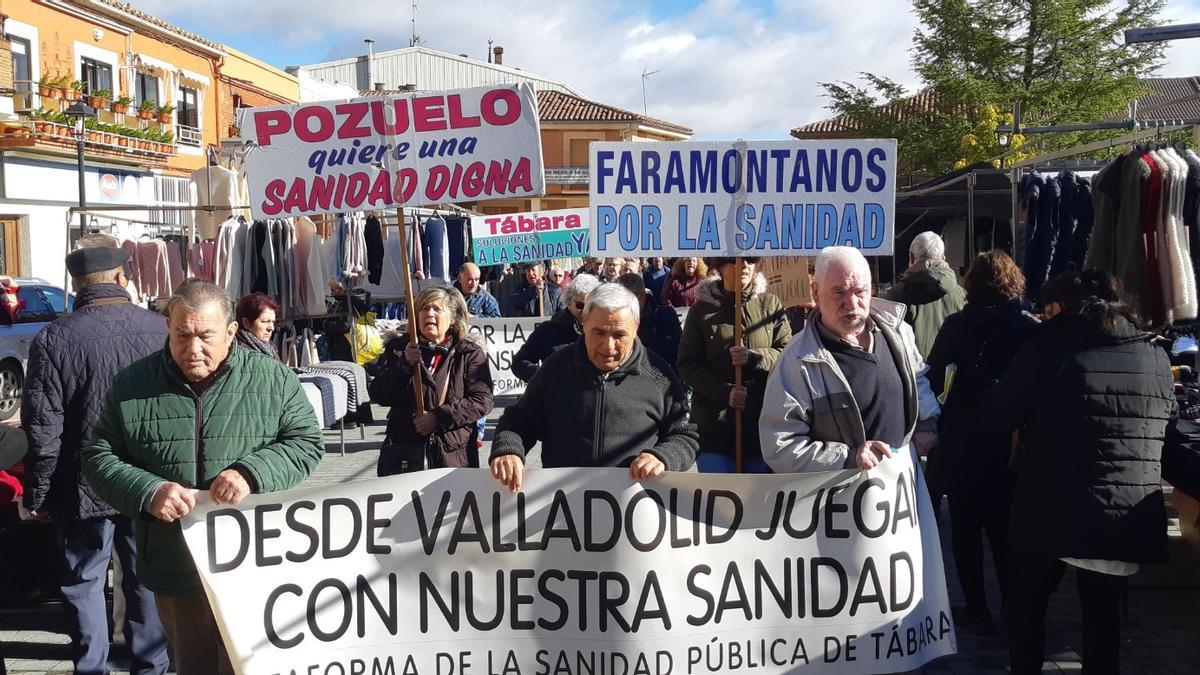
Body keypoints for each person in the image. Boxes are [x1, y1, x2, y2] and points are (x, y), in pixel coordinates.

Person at [83, 280, 325, 675]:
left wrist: (252, 472)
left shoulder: (273, 379)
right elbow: (98, 457)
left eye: (206, 336)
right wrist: (149, 491)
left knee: (250, 666)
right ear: (168, 328)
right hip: (175, 563)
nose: (193, 349)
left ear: (232, 332)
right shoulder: (133, 384)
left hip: (253, 563)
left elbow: (306, 443)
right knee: (194, 666)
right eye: (183, 334)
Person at [980, 269, 1174, 673]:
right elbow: (1163, 426)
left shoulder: (1048, 346)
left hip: (1053, 509)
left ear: (1059, 308)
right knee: (1103, 622)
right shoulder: (1155, 353)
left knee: (1026, 608)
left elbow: (999, 416)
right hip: (1125, 514)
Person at [20, 247, 171, 675]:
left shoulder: (54, 337)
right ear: (122, 279)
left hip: (82, 484)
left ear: (76, 286)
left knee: (84, 583)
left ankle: (91, 669)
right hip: (148, 481)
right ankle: (152, 667)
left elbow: (42, 428)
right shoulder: (159, 328)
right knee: (144, 579)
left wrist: (38, 493)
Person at [924, 250, 1039, 634]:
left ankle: (976, 607)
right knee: (1006, 530)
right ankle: (1013, 603)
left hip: (961, 439)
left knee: (965, 530)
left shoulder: (956, 325)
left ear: (971, 282)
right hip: (1008, 442)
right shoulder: (1026, 327)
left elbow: (935, 378)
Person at [489, 284, 699, 490]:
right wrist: (508, 450)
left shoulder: (660, 376)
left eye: (619, 335)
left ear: (636, 328)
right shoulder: (555, 368)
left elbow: (684, 435)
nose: (608, 346)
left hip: (633, 512)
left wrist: (662, 457)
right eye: (599, 333)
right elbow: (518, 421)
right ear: (583, 323)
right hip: (561, 509)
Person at [760, 246, 940, 472]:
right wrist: (849, 458)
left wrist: (927, 421)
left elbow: (917, 379)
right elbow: (780, 446)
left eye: (860, 291)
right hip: (837, 502)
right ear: (815, 292)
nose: (852, 304)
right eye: (839, 292)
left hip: (898, 495)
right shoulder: (797, 360)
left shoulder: (898, 333)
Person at [677, 258, 791, 473]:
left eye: (750, 259)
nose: (744, 265)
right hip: (714, 429)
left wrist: (755, 357)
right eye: (734, 260)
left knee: (756, 501)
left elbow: (786, 352)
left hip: (761, 427)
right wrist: (725, 392)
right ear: (719, 267)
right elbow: (687, 365)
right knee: (721, 502)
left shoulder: (771, 305)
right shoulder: (701, 311)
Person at [369, 287, 494, 472]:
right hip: (405, 457)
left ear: (452, 318)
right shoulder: (400, 348)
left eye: (437, 309)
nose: (429, 314)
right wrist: (403, 365)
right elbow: (379, 394)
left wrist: (438, 417)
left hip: (453, 459)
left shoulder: (468, 353)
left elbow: (482, 401)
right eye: (424, 309)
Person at [887, 231, 967, 359]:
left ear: (911, 257)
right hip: (953, 375)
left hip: (915, 375)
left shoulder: (897, 295)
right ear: (943, 258)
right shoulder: (963, 295)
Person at [511, 274, 600, 382]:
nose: (586, 311)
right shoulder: (548, 330)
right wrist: (545, 377)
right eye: (581, 305)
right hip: (559, 396)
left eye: (590, 306)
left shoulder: (603, 331)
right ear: (569, 301)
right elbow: (519, 362)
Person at [615, 272, 682, 369]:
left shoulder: (665, 317)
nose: (621, 304)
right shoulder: (613, 320)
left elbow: (677, 352)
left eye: (626, 300)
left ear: (642, 296)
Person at [235, 292, 279, 358]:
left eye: (273, 322)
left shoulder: (270, 348)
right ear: (246, 323)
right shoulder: (240, 355)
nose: (271, 328)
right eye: (265, 321)